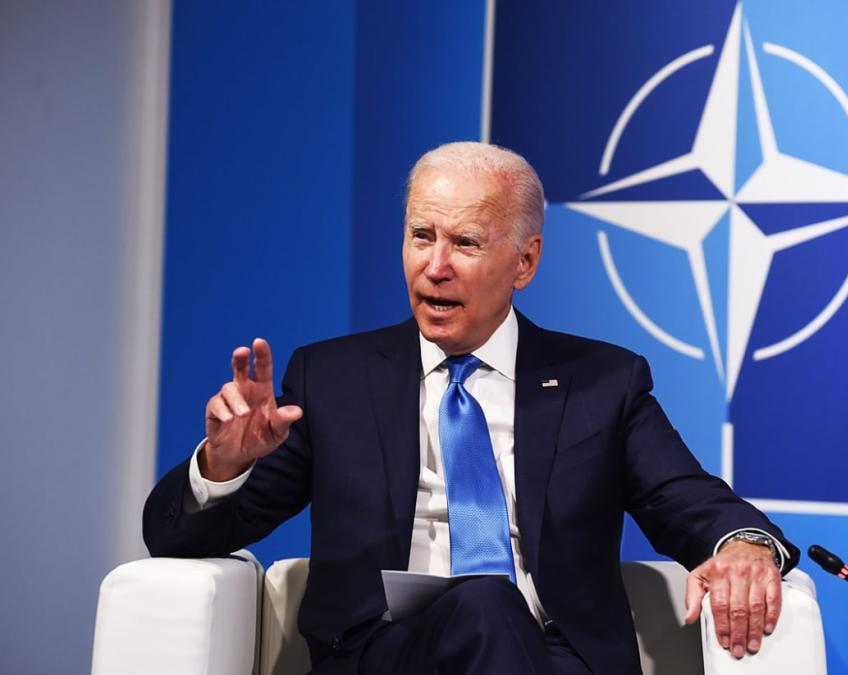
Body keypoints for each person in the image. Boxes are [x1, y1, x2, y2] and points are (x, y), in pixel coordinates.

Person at [144, 142, 799, 675]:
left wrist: (742, 542)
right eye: (420, 235)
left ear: (525, 261)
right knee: (483, 601)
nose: (434, 266)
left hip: (559, 656)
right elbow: (178, 536)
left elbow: (685, 497)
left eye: (465, 243)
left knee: (494, 610)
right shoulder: (331, 379)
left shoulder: (602, 382)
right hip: (384, 653)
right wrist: (221, 466)